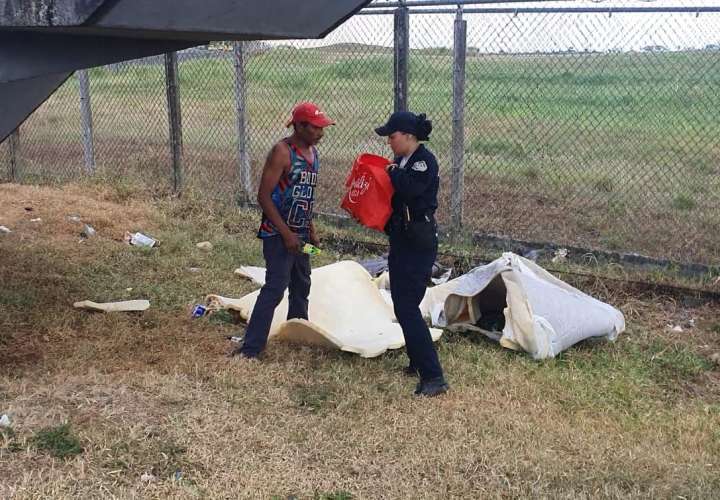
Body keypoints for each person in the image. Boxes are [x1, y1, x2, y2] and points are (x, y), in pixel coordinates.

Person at [231, 102, 334, 359]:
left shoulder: (313, 154)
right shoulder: (282, 152)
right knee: (276, 286)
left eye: (323, 128)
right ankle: (250, 348)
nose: (321, 133)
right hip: (279, 234)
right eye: (316, 128)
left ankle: (297, 332)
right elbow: (264, 197)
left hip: (300, 235)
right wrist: (286, 234)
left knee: (302, 282)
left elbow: (305, 196)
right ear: (299, 126)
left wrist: (310, 230)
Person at [375, 110, 449, 397]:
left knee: (406, 307)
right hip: (402, 239)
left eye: (392, 137)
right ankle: (418, 362)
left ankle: (434, 376)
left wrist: (394, 173)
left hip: (419, 242)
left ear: (408, 136)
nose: (389, 143)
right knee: (405, 304)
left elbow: (410, 191)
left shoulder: (422, 162)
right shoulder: (402, 160)